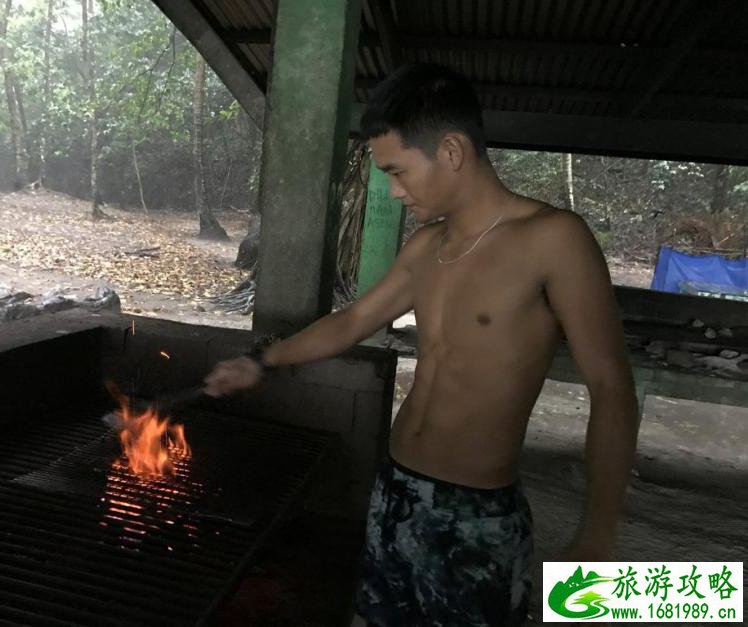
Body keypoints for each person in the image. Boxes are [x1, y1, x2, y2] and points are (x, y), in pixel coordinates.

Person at [203, 64, 639, 627]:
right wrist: (260, 361)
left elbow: (611, 386)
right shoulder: (427, 245)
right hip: (396, 490)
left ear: (452, 151)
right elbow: (354, 320)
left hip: (476, 514)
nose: (392, 189)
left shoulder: (554, 240)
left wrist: (599, 534)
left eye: (398, 171)